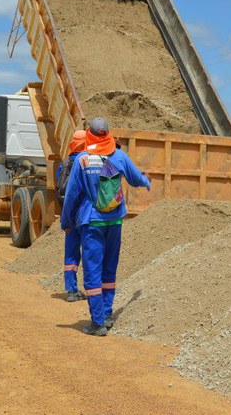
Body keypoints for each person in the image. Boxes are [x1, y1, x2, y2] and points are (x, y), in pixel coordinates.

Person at [61, 117, 151, 336]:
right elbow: (136, 178)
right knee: (109, 268)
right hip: (115, 221)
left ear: (89, 135)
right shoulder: (119, 155)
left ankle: (98, 322)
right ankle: (108, 314)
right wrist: (146, 182)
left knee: (93, 269)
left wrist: (66, 222)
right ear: (108, 134)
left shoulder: (82, 160)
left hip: (91, 222)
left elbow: (71, 195)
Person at [56, 129, 86, 302]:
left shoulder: (65, 163)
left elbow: (60, 188)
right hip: (85, 214)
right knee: (89, 251)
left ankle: (71, 290)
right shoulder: (88, 161)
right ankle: (93, 291)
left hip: (69, 213)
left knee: (71, 253)